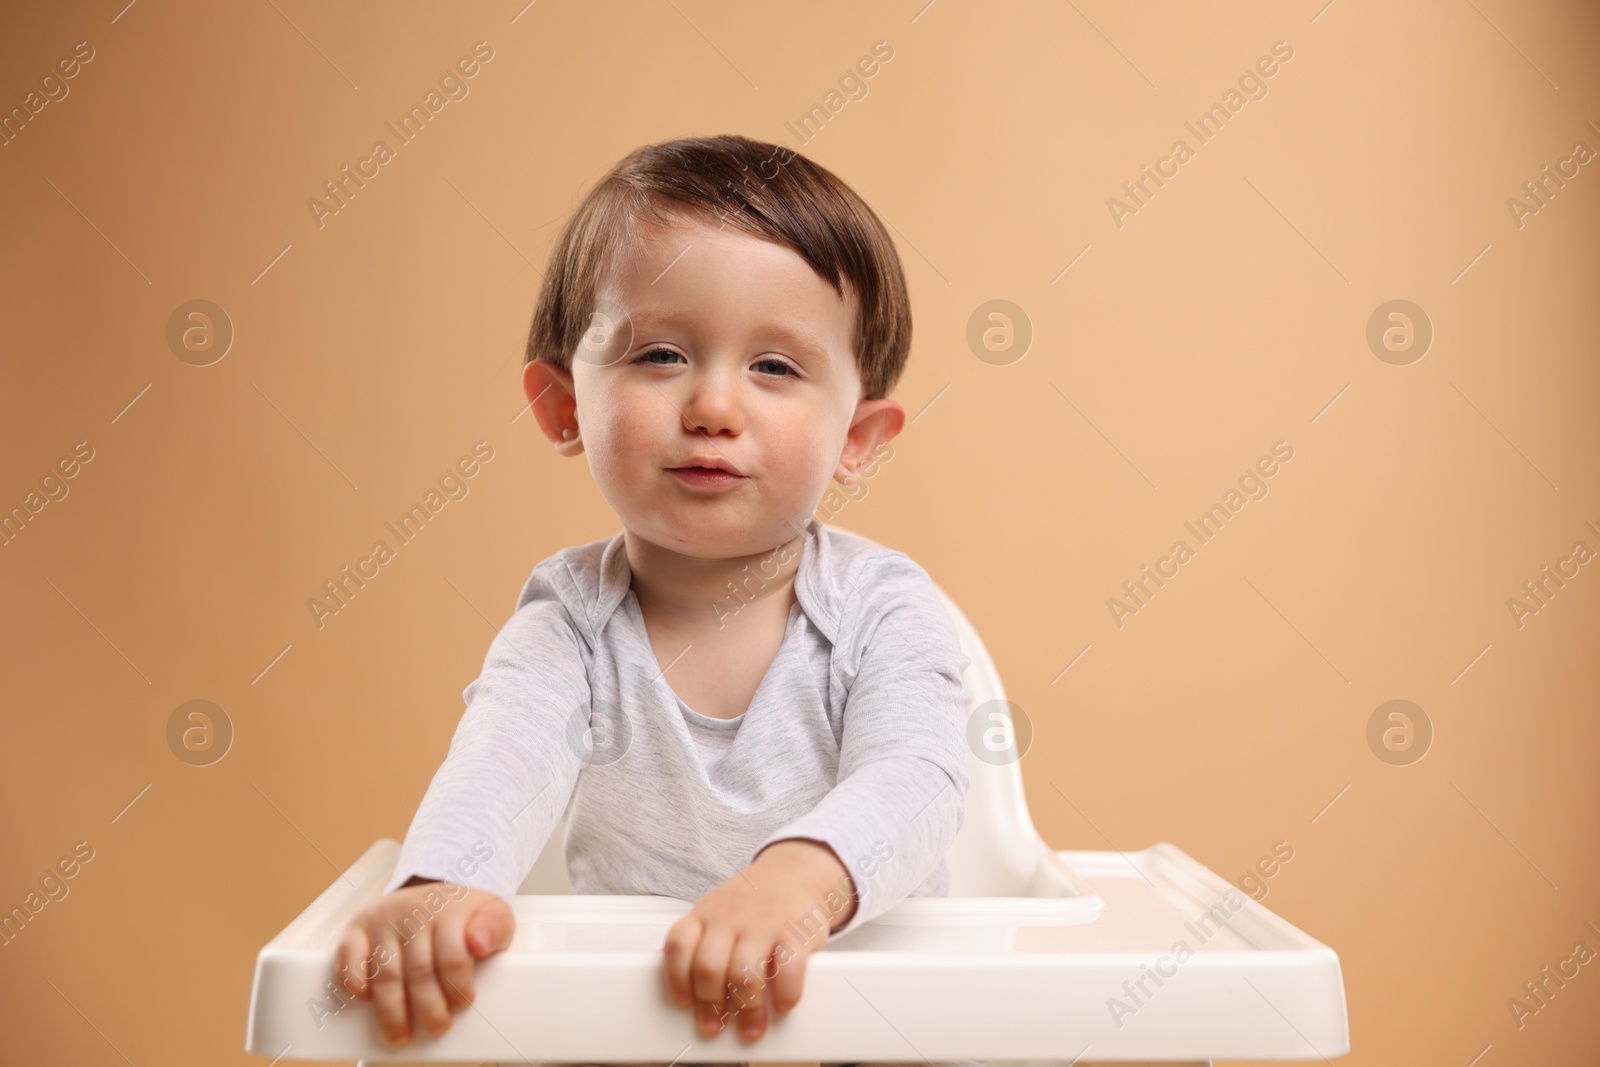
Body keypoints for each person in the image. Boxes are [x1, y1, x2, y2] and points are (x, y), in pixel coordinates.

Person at [332, 133, 981, 1067]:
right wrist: (441, 884)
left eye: (775, 368)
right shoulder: (568, 624)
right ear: (563, 406)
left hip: (863, 1024)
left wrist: (803, 878)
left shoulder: (883, 609)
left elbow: (918, 778)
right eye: (663, 354)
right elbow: (503, 755)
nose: (715, 404)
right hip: (646, 1029)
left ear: (859, 437)